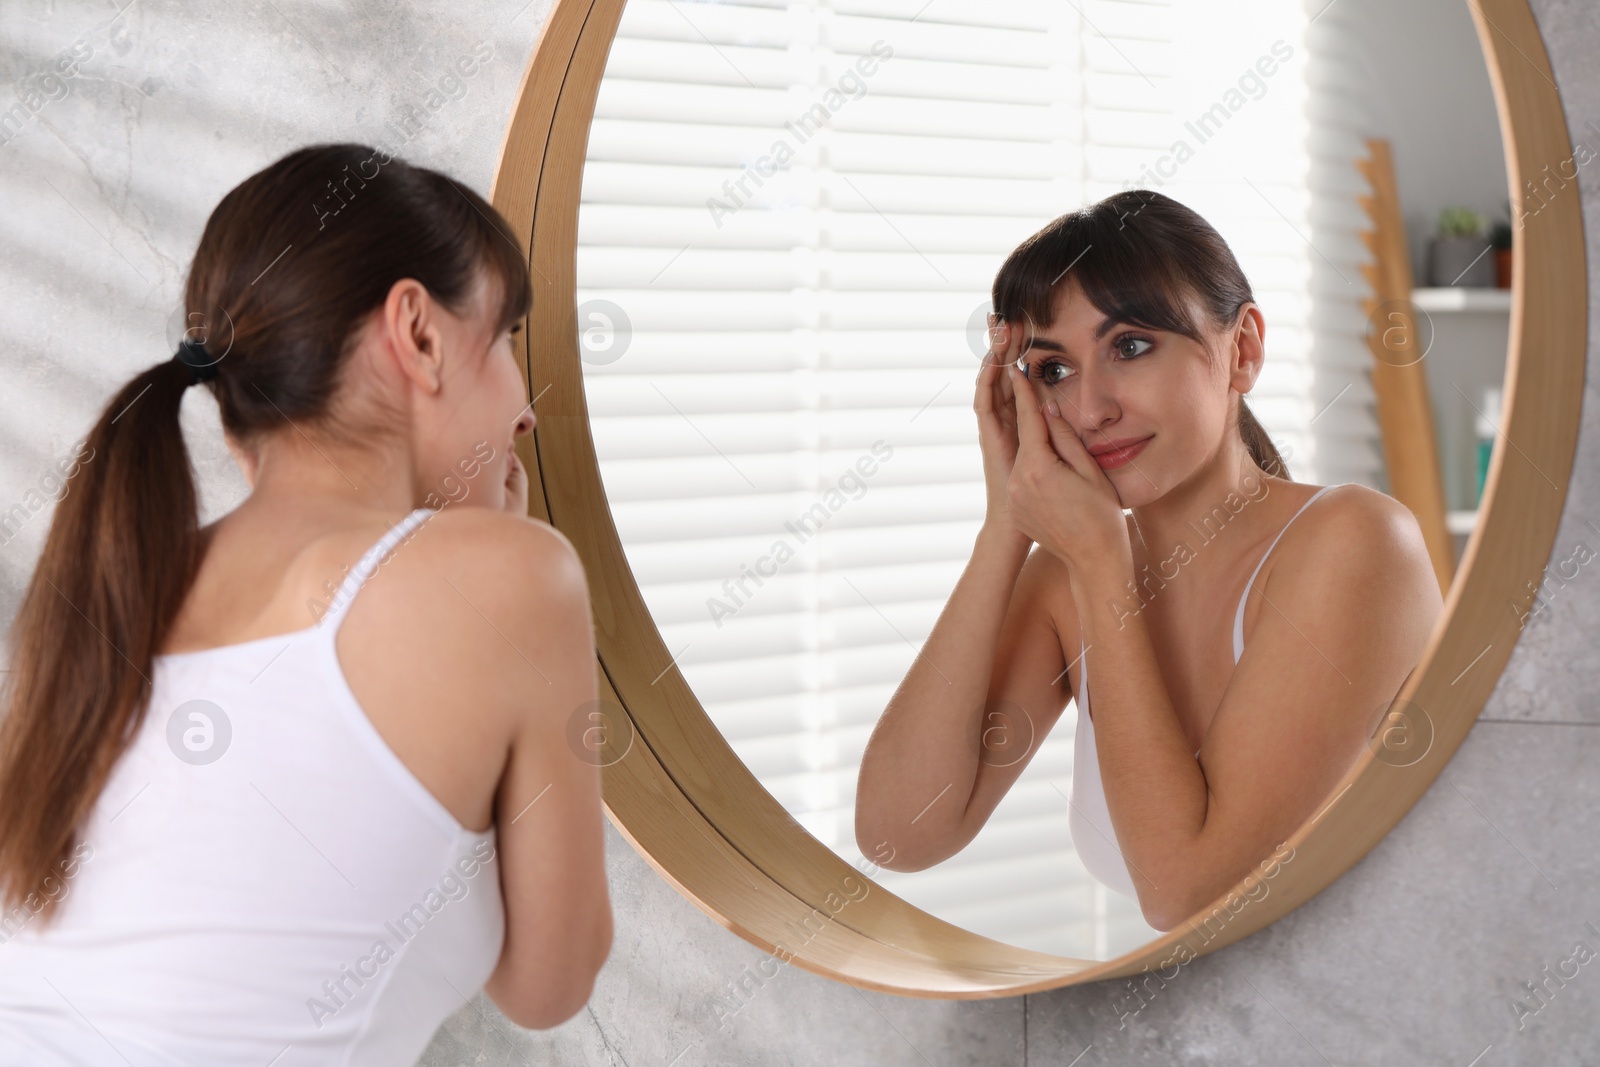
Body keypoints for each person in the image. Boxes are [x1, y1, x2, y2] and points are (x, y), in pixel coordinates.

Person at [0, 143, 612, 1062]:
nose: (525, 410)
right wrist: (501, 560)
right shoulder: (513, 578)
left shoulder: (120, 589)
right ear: (418, 332)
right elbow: (549, 984)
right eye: (508, 340)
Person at [855, 189, 1442, 931]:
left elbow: (1187, 895)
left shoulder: (1356, 542)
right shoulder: (1067, 579)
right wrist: (1005, 523)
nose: (1093, 407)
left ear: (1243, 348)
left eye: (1130, 346)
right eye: (1052, 369)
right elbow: (899, 833)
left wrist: (1104, 566)